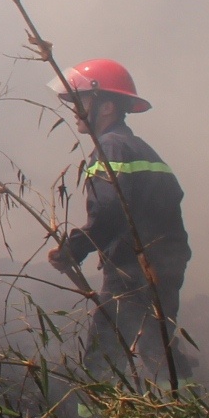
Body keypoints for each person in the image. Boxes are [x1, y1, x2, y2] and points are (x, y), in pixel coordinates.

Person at [47, 58, 192, 378]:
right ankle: (187, 411)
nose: (75, 110)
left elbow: (109, 211)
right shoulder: (138, 148)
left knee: (103, 353)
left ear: (107, 107)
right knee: (157, 344)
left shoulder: (111, 148)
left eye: (81, 101)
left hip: (132, 267)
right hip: (158, 263)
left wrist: (73, 249)